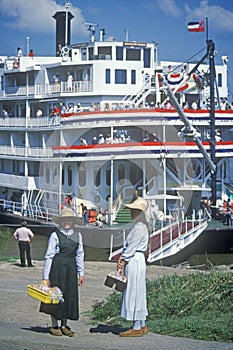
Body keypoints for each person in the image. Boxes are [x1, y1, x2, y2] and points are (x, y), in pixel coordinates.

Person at [39, 208, 84, 336]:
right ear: (61, 221)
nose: (66, 222)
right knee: (55, 295)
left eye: (69, 219)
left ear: (73, 221)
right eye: (64, 219)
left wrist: (81, 273)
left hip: (71, 267)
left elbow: (80, 254)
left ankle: (64, 325)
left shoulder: (78, 235)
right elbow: (49, 256)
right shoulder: (55, 235)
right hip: (57, 267)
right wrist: (45, 277)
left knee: (68, 295)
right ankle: (54, 325)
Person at [117, 197, 149, 337]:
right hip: (138, 259)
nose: (131, 213)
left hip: (135, 260)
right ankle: (141, 323)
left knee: (134, 291)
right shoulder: (142, 226)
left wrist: (122, 261)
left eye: (134, 211)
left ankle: (136, 327)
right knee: (139, 290)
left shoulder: (139, 228)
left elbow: (131, 248)